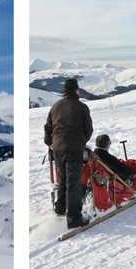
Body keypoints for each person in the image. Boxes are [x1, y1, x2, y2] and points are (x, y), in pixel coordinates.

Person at [44, 78, 93, 228]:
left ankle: (60, 208)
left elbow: (48, 128)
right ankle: (74, 218)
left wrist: (51, 143)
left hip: (58, 148)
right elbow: (89, 129)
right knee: (73, 183)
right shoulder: (82, 107)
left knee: (62, 179)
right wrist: (81, 142)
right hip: (74, 148)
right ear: (76, 90)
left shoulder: (55, 107)